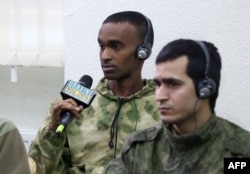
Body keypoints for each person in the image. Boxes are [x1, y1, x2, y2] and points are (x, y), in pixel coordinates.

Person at [28, 11, 159, 174]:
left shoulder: (164, 107)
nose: (105, 56)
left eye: (116, 46)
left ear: (143, 51)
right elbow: (38, 170)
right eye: (102, 46)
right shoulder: (73, 105)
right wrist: (53, 132)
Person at [105, 39, 250, 173]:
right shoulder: (141, 148)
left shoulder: (240, 152)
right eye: (158, 84)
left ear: (205, 88)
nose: (160, 96)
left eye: (173, 84)